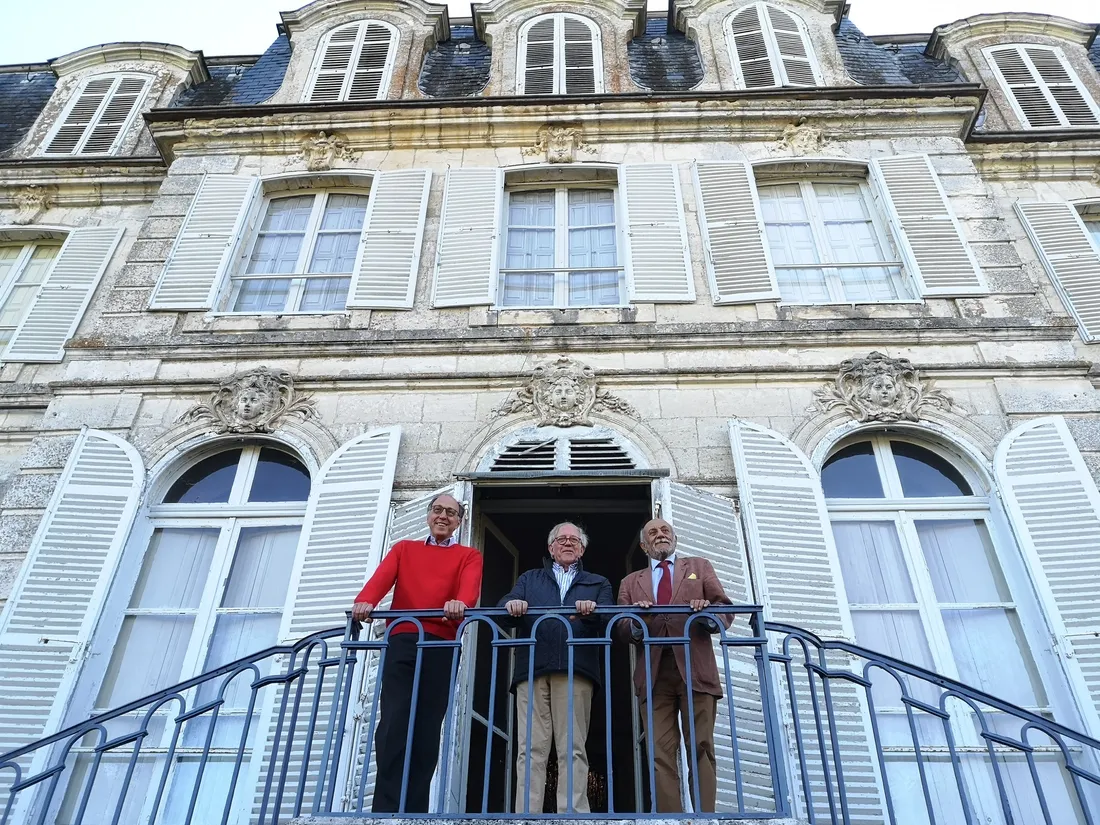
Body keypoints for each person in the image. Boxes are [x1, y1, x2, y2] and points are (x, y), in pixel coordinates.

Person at [351, 493, 483, 813]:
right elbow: (380, 581)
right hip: (405, 638)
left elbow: (469, 591)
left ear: (459, 521)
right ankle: (385, 809)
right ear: (428, 516)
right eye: (438, 510)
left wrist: (460, 604)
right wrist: (365, 601)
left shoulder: (469, 555)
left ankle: (413, 809)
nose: (443, 516)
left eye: (451, 513)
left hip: (441, 643)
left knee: (427, 727)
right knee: (395, 720)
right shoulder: (404, 549)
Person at [615, 518, 734, 813]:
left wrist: (705, 614)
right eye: (653, 533)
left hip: (695, 668)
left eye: (665, 531)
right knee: (660, 751)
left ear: (675, 539)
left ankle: (705, 816)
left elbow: (724, 608)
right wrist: (638, 622)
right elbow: (621, 627)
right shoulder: (631, 582)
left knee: (701, 746)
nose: (660, 535)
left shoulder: (699, 567)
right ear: (644, 545)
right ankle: (671, 818)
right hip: (654, 673)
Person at [498, 522, 614, 814]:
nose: (567, 543)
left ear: (583, 548)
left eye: (574, 540)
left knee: (573, 748)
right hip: (532, 669)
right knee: (530, 749)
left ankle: (573, 815)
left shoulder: (597, 582)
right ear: (550, 548)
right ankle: (527, 814)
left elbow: (609, 618)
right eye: (561, 539)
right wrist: (513, 604)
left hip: (576, 669)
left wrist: (592, 612)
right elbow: (505, 607)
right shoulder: (530, 578)